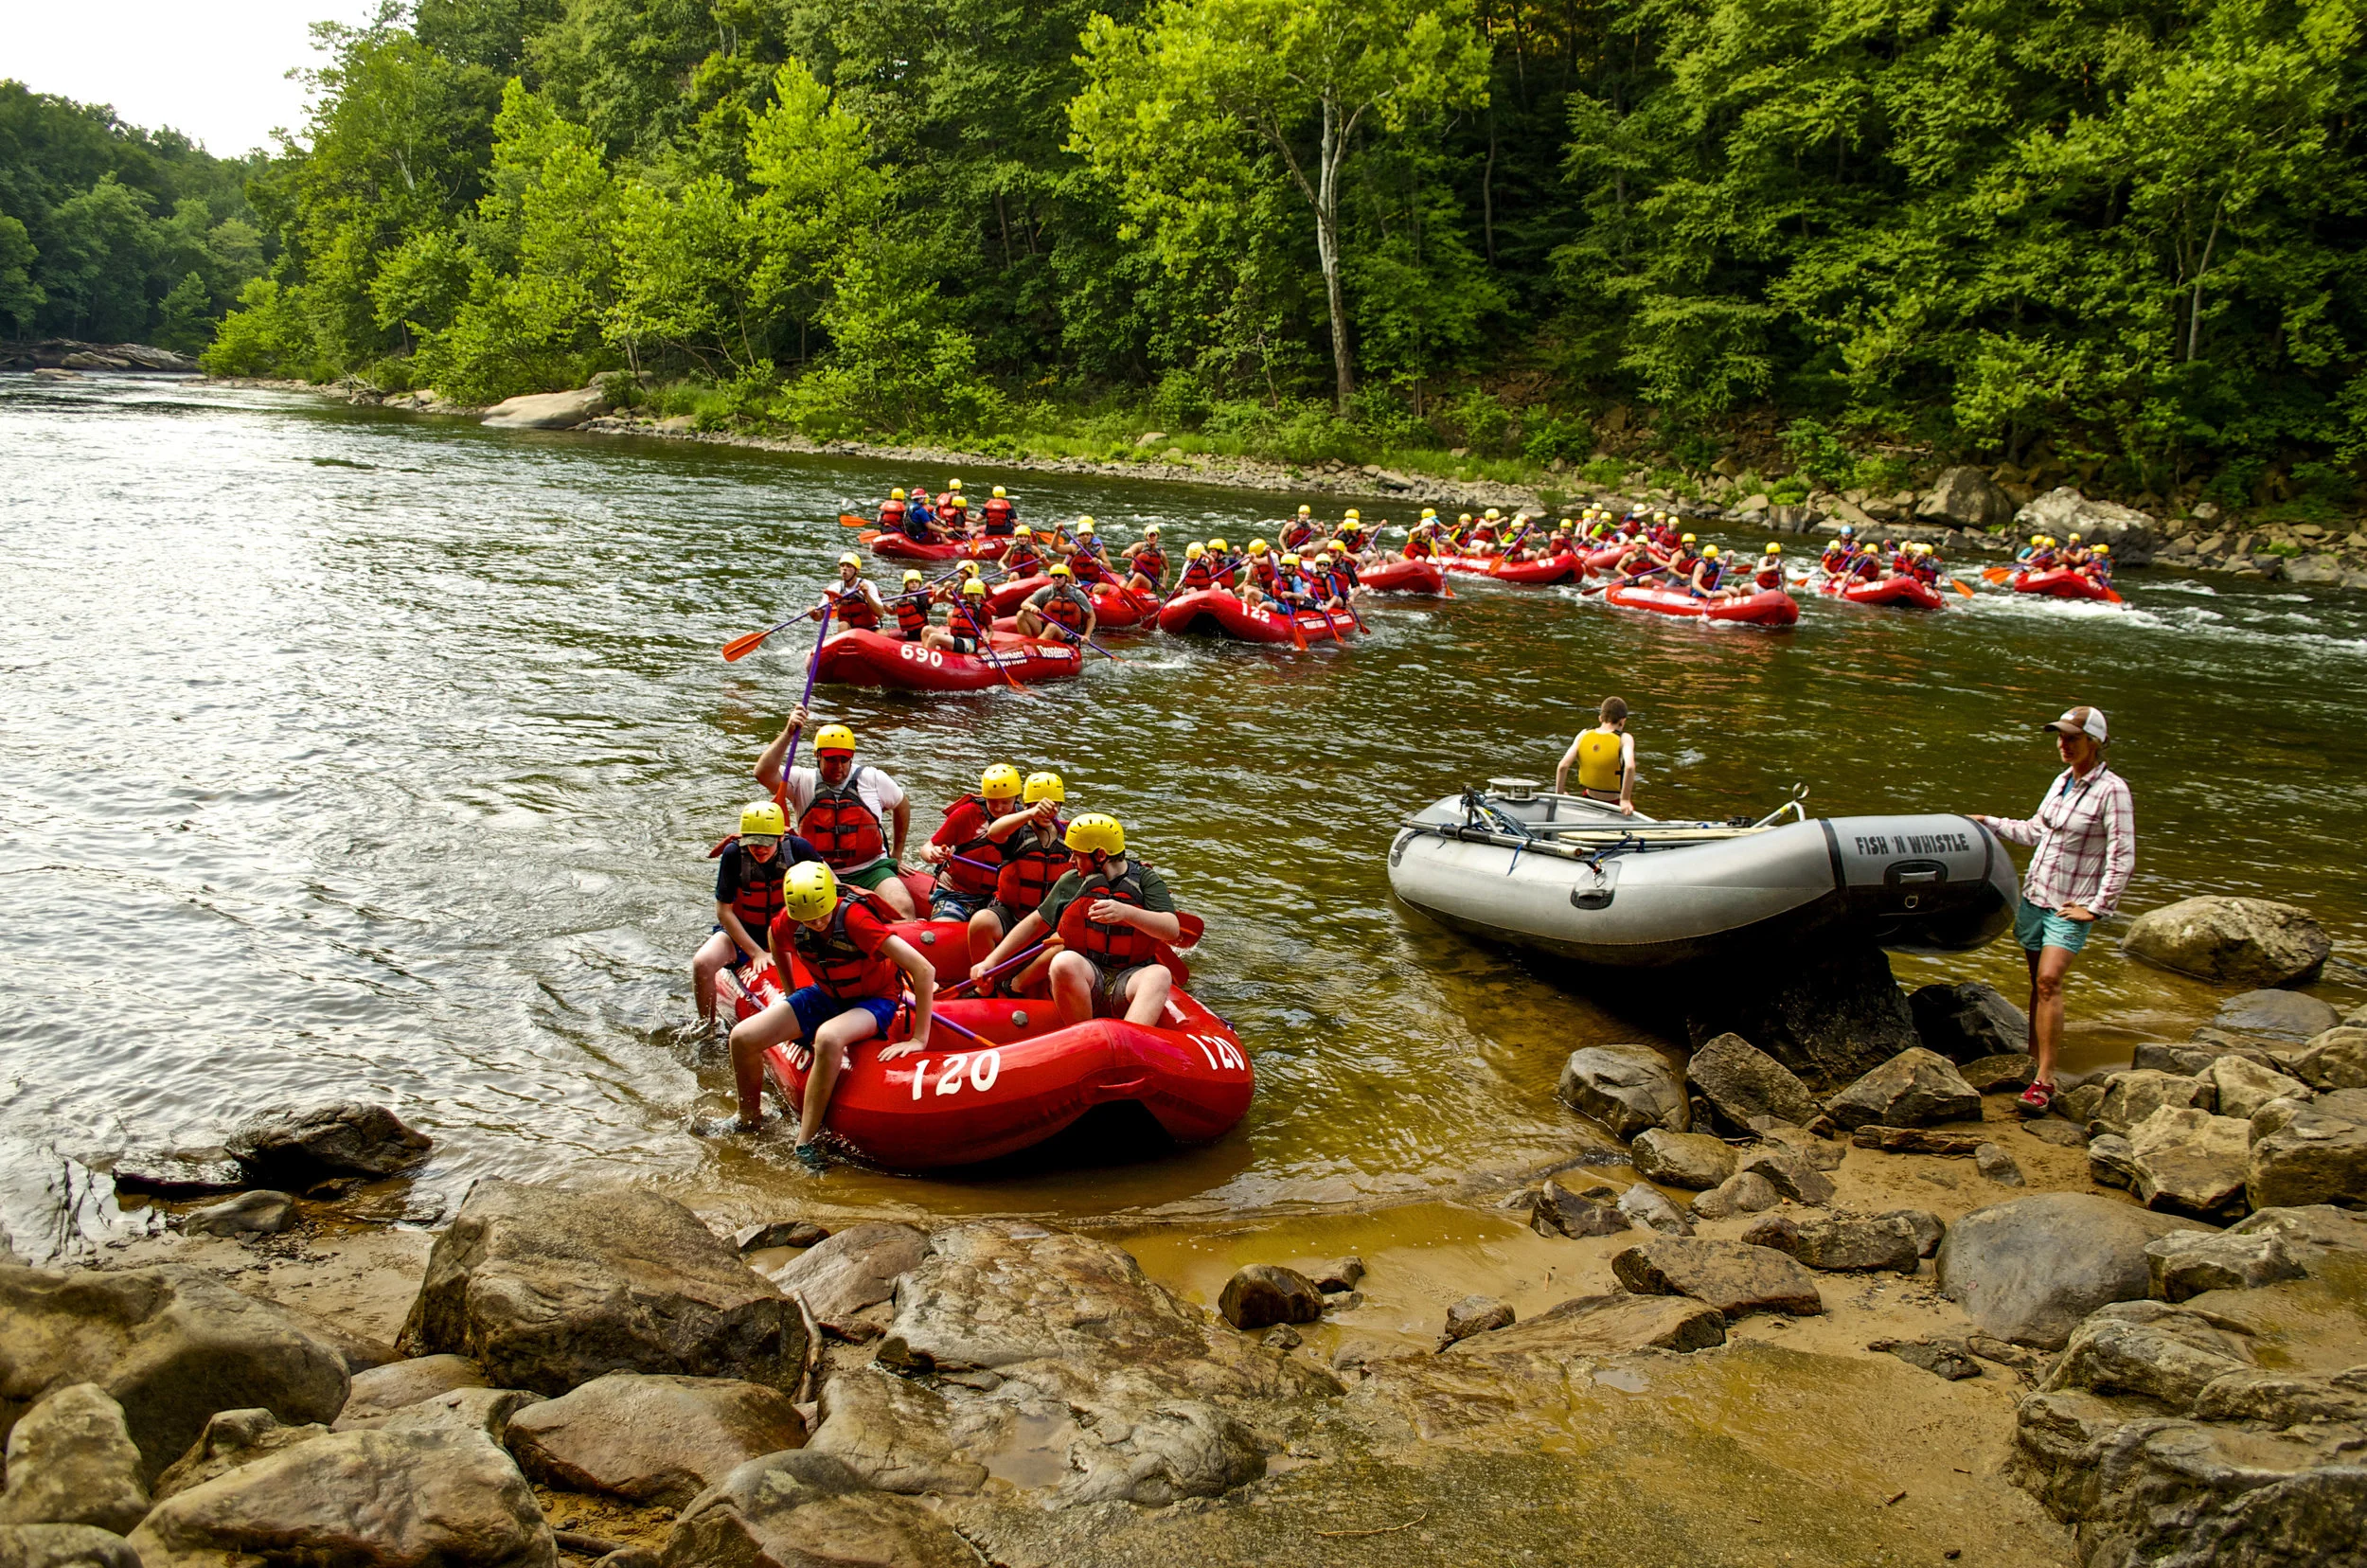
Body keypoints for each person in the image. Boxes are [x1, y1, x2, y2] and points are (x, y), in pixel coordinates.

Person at [1966, 706, 2136, 1117]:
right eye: (2060, 737)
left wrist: (2098, 908)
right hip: (2036, 896)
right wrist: (1987, 823)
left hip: (2070, 906)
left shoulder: (2113, 791)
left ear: (2093, 742)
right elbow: (2036, 831)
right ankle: (2031, 1061)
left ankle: (2045, 1080)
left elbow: (2122, 855)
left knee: (2048, 981)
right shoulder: (2062, 782)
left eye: (2072, 738)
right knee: (2037, 985)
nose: (2063, 744)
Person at [724, 862, 935, 1164]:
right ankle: (749, 1118)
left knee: (828, 1036)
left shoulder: (856, 919)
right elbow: (775, 938)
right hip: (827, 995)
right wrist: (790, 989)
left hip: (875, 1000)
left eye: (822, 916)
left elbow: (924, 969)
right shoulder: (792, 918)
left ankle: (805, 1141)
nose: (818, 923)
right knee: (742, 1037)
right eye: (809, 920)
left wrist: (919, 1039)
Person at [971, 813, 1180, 1027]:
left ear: (1100, 855)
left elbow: (1171, 929)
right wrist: (991, 961)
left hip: (1130, 978)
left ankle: (1131, 1043)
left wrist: (1127, 913)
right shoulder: (1072, 881)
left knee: (1160, 974)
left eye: (1076, 855)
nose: (1070, 861)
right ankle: (1085, 1035)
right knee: (1063, 961)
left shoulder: (1146, 880)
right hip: (1089, 978)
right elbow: (1035, 923)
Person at [757, 712, 917, 918]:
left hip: (871, 869)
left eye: (844, 759)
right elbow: (762, 773)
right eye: (831, 759)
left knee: (903, 907)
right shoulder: (800, 781)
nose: (839, 766)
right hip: (819, 872)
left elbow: (902, 804)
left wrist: (897, 853)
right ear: (818, 756)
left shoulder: (873, 779)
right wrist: (788, 733)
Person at [693, 801, 826, 1024]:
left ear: (780, 837)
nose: (759, 849)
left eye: (765, 843)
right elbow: (724, 911)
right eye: (753, 843)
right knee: (702, 962)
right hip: (745, 931)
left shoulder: (799, 849)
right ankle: (707, 1027)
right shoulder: (734, 854)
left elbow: (832, 886)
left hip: (788, 930)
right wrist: (756, 952)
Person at [969, 770, 1068, 970]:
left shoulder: (1071, 835)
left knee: (1068, 942)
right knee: (981, 922)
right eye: (1039, 806)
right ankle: (985, 985)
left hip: (1049, 921)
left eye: (1055, 805)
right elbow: (994, 832)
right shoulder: (1016, 832)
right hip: (1011, 913)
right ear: (1026, 805)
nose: (1049, 811)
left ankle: (1019, 983)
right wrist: (1032, 813)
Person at [922, 763, 1022, 921]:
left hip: (998, 899)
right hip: (957, 893)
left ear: (1017, 798)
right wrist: (933, 854)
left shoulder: (1024, 819)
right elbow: (927, 848)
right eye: (993, 801)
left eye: (1005, 802)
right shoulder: (966, 814)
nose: (998, 808)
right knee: (946, 926)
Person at [1557, 697, 1637, 813]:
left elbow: (1563, 766)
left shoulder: (1583, 735)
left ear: (1600, 718)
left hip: (1588, 800)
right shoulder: (1624, 738)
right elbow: (1630, 767)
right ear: (1623, 721)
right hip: (1614, 803)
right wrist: (1625, 800)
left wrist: (1560, 794)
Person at [1018, 562, 1098, 644]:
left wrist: (1087, 635)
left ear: (1066, 578)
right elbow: (1024, 604)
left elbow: (1091, 616)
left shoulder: (1077, 594)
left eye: (1059, 576)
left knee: (1052, 627)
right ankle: (1027, 644)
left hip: (1067, 633)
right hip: (1047, 627)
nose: (1056, 578)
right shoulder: (1047, 591)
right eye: (1053, 576)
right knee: (1021, 614)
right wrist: (1032, 607)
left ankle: (1035, 646)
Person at [921, 576, 997, 655]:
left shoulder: (984, 610)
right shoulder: (959, 602)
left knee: (934, 637)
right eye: (971, 594)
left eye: (977, 594)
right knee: (926, 629)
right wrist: (945, 589)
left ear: (981, 595)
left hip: (970, 643)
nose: (975, 597)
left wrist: (987, 638)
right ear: (966, 594)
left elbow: (990, 631)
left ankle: (927, 660)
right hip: (956, 638)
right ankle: (924, 655)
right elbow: (940, 596)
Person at [821, 553, 883, 631]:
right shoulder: (833, 588)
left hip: (870, 629)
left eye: (849, 566)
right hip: (848, 631)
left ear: (856, 571)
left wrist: (866, 594)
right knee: (842, 625)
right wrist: (813, 612)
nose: (844, 569)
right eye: (842, 566)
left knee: (883, 633)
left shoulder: (867, 585)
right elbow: (819, 616)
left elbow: (880, 613)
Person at [1120, 525, 1167, 594]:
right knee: (1120, 589)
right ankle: (1124, 595)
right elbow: (1123, 554)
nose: (1152, 538)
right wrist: (1128, 552)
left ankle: (1126, 596)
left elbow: (1167, 568)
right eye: (1150, 536)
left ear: (1157, 537)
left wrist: (1164, 583)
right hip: (1131, 575)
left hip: (1149, 581)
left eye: (1154, 535)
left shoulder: (1161, 553)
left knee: (1138, 577)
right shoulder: (1139, 546)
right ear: (1146, 537)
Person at [889, 569, 932, 641]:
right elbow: (892, 610)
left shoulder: (921, 595)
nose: (914, 584)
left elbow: (929, 602)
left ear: (919, 584)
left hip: (921, 630)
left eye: (916, 582)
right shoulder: (902, 598)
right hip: (910, 632)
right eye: (911, 582)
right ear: (906, 584)